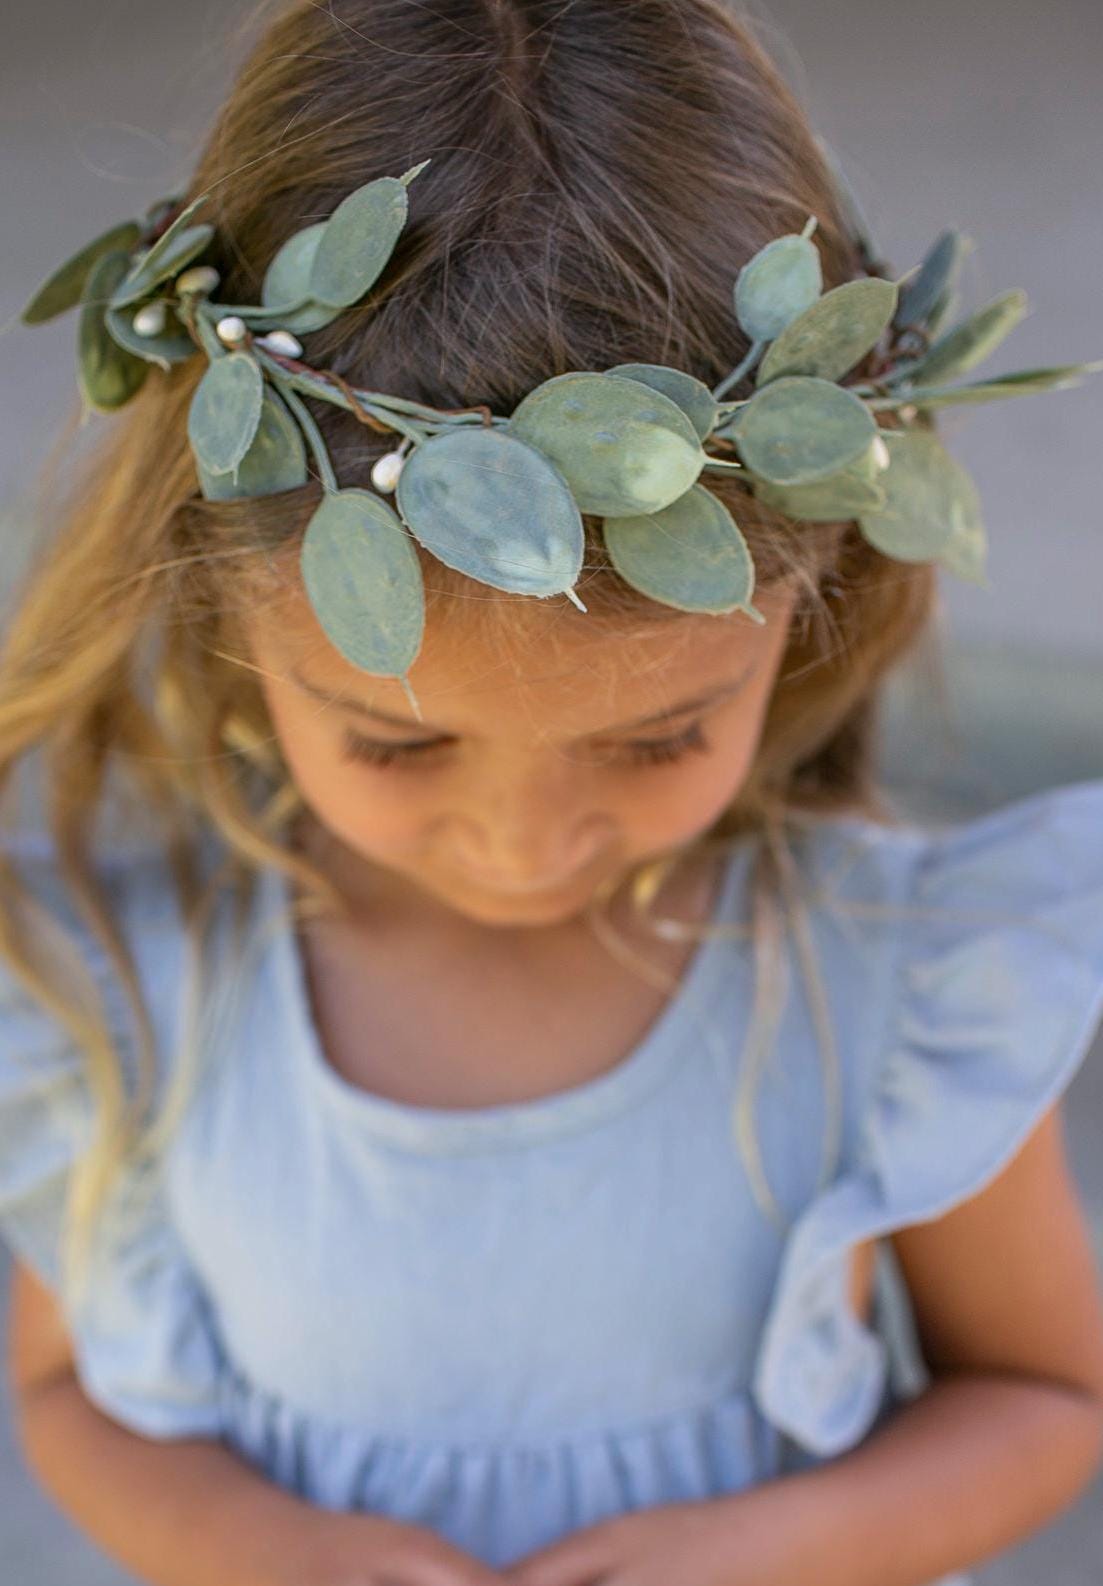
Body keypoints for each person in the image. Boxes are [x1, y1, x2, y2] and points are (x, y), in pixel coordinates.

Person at [2, 3, 1103, 1585]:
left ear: (813, 593)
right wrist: (274, 1551)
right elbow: (68, 1390)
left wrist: (761, 1550)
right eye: (397, 744)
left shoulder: (895, 984)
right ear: (222, 605)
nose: (524, 843)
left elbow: (1044, 1391)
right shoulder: (137, 984)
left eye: (656, 740)